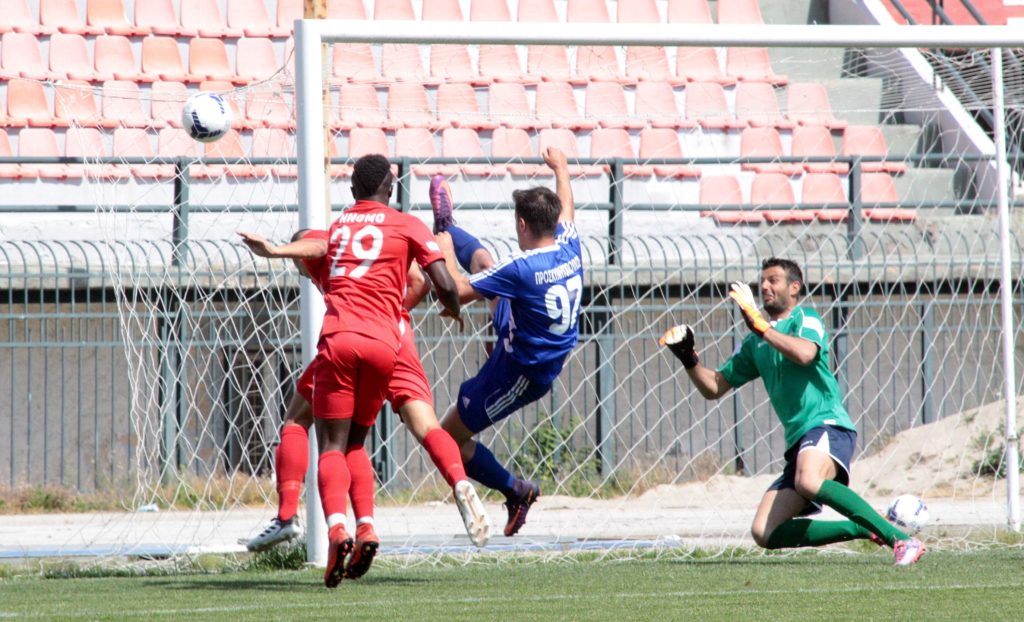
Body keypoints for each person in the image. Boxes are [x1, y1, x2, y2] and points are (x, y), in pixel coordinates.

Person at [239, 154, 463, 587]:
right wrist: (401, 307)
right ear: (389, 189)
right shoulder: (393, 230)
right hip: (391, 342)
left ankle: (298, 518)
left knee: (309, 427)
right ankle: (382, 520)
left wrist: (278, 250)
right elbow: (421, 280)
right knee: (399, 431)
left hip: (345, 340)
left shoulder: (335, 242)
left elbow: (314, 245)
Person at [659, 258, 926, 565]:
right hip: (799, 442)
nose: (764, 286)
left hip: (827, 424)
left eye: (773, 280)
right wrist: (688, 358)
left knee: (808, 481)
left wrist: (761, 326)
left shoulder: (806, 318)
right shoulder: (755, 343)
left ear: (794, 287)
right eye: (762, 281)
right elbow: (714, 387)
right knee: (765, 531)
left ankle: (902, 540)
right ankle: (866, 526)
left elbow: (805, 353)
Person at [430, 146, 584, 537]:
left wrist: (442, 250)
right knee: (486, 265)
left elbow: (456, 291)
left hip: (520, 372)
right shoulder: (569, 244)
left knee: (446, 438)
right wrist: (561, 167)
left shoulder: (522, 268)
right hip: (524, 324)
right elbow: (567, 205)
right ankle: (448, 223)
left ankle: (516, 490)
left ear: (521, 224)